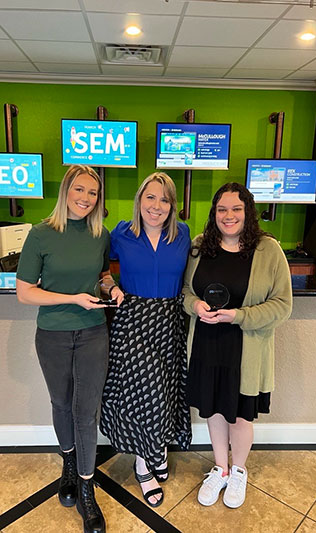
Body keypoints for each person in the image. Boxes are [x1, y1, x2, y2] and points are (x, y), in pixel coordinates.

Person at [16, 164, 123, 533]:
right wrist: (73, 299)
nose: (86, 198)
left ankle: (87, 489)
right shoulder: (41, 234)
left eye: (93, 193)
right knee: (61, 404)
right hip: (53, 334)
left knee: (85, 412)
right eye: (79, 190)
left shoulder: (100, 233)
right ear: (66, 191)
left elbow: (103, 276)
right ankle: (68, 465)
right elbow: (25, 292)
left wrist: (111, 289)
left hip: (93, 332)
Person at [182, 182, 292, 509]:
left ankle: (239, 470)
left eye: (236, 209)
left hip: (246, 349)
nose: (228, 216)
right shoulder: (200, 247)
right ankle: (221, 467)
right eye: (222, 209)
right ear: (214, 213)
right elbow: (186, 292)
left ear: (248, 212)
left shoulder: (268, 250)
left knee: (241, 416)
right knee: (214, 409)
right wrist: (195, 306)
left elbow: (282, 305)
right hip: (206, 344)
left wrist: (238, 316)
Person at [100, 172, 192, 508]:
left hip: (169, 321)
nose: (157, 206)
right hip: (133, 321)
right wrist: (111, 287)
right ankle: (144, 463)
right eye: (150, 197)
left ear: (172, 206)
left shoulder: (183, 235)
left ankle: (159, 449)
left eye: (164, 199)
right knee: (145, 393)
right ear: (140, 200)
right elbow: (101, 270)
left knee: (166, 389)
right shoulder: (121, 233)